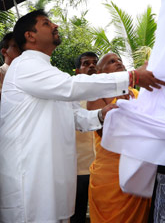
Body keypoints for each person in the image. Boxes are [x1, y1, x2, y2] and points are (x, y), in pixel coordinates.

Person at [0, 10, 165, 223]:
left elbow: (73, 115)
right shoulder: (25, 65)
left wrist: (101, 115)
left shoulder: (47, 71)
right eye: (47, 23)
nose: (55, 26)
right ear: (30, 36)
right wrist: (132, 76)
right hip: (28, 173)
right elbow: (72, 86)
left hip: (50, 173)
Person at [87, 53, 151, 223]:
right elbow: (103, 132)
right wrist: (123, 109)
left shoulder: (136, 93)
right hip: (110, 175)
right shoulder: (96, 94)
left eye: (119, 60)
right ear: (100, 74)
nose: (118, 63)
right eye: (111, 62)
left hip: (138, 169)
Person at [71, 51, 99, 223]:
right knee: (77, 215)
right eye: (86, 63)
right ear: (77, 70)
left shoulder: (108, 95)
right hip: (78, 168)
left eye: (94, 63)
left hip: (102, 170)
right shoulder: (70, 95)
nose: (91, 66)